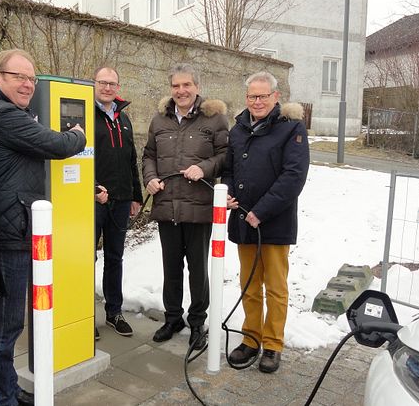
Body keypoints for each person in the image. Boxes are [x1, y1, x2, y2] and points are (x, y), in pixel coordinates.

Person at [0, 49, 86, 406]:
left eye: (32, 79)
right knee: (3, 327)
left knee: (9, 325)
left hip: (15, 224)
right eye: (19, 76)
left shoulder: (8, 112)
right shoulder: (1, 113)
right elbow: (56, 144)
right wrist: (79, 133)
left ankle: (6, 390)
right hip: (9, 232)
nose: (27, 84)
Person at [223, 71, 309, 373]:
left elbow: (293, 176)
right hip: (243, 219)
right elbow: (230, 168)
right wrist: (230, 194)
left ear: (275, 97)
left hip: (274, 222)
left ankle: (273, 344)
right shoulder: (238, 128)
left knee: (275, 287)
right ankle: (250, 339)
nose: (256, 101)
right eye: (251, 96)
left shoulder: (291, 129)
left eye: (262, 96)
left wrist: (262, 210)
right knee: (248, 284)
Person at [141, 64, 229, 350]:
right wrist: (151, 178)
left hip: (199, 207)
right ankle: (173, 318)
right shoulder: (159, 120)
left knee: (198, 270)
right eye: (176, 86)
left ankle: (197, 323)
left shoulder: (214, 120)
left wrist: (203, 168)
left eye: (186, 85)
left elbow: (225, 156)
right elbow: (148, 155)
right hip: (167, 206)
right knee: (171, 268)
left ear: (197, 87)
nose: (181, 91)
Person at [92, 66, 143, 339]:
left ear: (118, 87)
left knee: (115, 258)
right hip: (94, 201)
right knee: (86, 259)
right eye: (103, 83)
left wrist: (135, 195)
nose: (108, 88)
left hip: (121, 201)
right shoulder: (85, 114)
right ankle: (84, 316)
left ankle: (114, 312)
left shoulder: (123, 118)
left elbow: (130, 159)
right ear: (95, 84)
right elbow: (76, 158)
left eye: (112, 83)